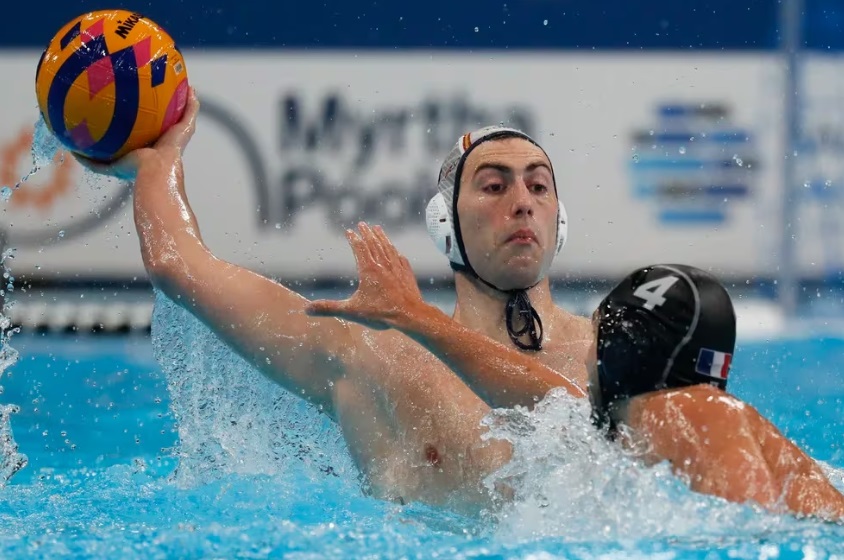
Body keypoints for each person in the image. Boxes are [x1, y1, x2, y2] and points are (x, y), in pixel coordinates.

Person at [78, 88, 590, 512]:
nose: (523, 203)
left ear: (559, 221)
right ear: (446, 224)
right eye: (494, 186)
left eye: (539, 187)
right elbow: (179, 266)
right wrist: (158, 165)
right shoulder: (375, 354)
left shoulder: (610, 350)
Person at [307, 229, 844, 521]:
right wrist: (414, 317)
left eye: (596, 337)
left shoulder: (693, 412)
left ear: (619, 349)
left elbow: (747, 536)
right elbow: (516, 384)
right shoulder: (627, 427)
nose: (583, 353)